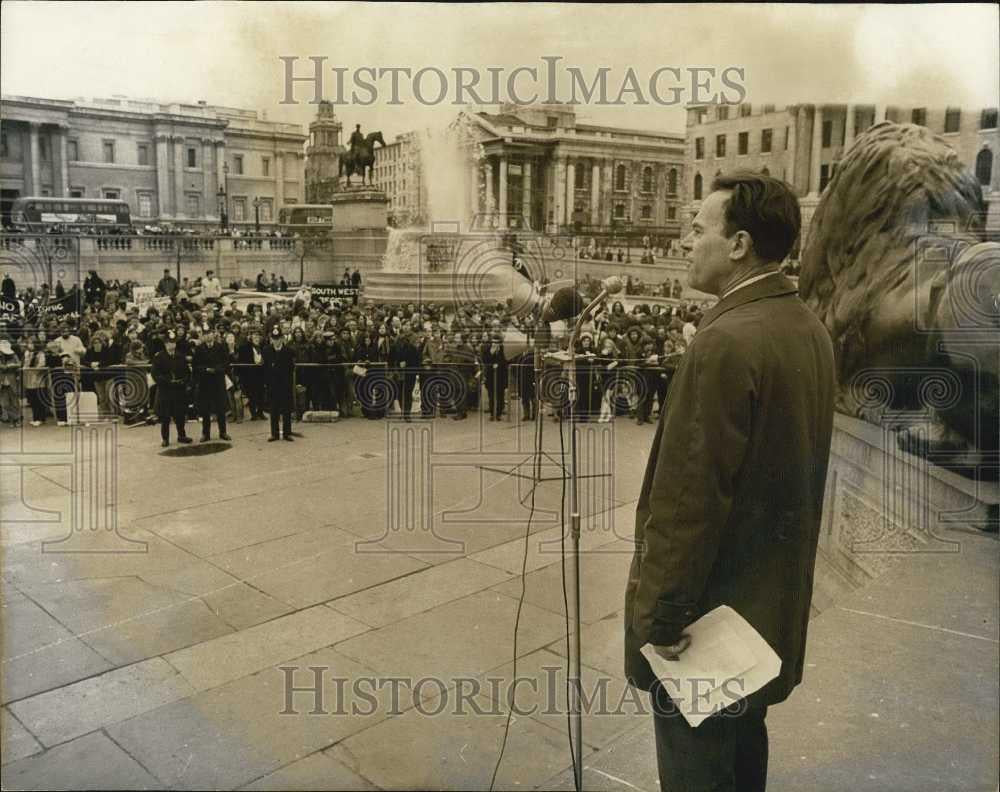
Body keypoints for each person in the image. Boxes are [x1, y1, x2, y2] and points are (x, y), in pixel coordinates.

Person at [624, 172, 836, 792]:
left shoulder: (723, 342)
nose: (686, 240)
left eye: (699, 228)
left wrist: (660, 619)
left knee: (698, 769)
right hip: (766, 613)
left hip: (708, 625)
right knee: (744, 763)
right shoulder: (807, 329)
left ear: (739, 243)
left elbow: (690, 497)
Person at [151, 330, 193, 447]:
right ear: (165, 344)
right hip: (166, 390)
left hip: (179, 390)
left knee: (180, 415)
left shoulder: (180, 356)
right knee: (165, 417)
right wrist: (167, 381)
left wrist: (184, 382)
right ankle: (165, 439)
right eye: (169, 343)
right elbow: (155, 374)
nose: (171, 345)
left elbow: (187, 373)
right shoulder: (159, 357)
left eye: (173, 343)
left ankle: (182, 436)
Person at [192, 325, 232, 442]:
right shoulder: (199, 349)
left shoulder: (221, 347)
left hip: (218, 382)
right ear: (203, 336)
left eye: (210, 333)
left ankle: (223, 432)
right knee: (205, 410)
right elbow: (195, 366)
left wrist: (217, 369)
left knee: (220, 409)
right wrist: (205, 369)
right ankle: (206, 434)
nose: (208, 336)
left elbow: (226, 363)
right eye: (205, 334)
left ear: (213, 334)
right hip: (205, 383)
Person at [262, 326, 295, 441]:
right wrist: (267, 383)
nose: (276, 341)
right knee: (274, 410)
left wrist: (288, 383)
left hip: (285, 384)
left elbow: (291, 368)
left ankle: (287, 433)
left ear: (282, 338)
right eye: (274, 339)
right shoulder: (266, 350)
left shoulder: (288, 351)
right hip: (272, 385)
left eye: (278, 338)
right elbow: (265, 369)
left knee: (286, 409)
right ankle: (274, 434)